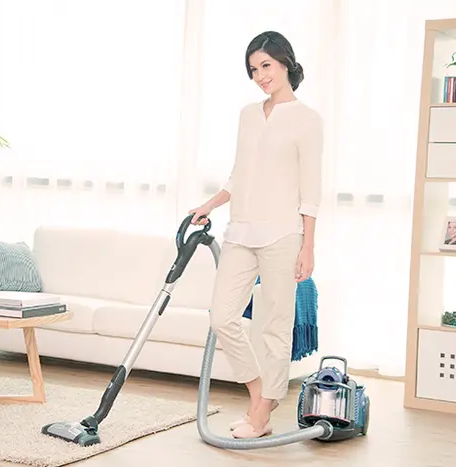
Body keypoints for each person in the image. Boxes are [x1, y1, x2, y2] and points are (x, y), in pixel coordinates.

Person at [188, 31, 323, 439]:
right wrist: (210, 205)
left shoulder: (308, 119)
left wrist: (308, 246)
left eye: (266, 65)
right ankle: (260, 393)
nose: (260, 75)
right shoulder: (248, 114)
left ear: (285, 63)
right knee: (222, 317)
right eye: (253, 69)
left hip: (283, 234)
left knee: (275, 327)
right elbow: (238, 175)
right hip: (241, 230)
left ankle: (260, 417)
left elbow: (311, 192)